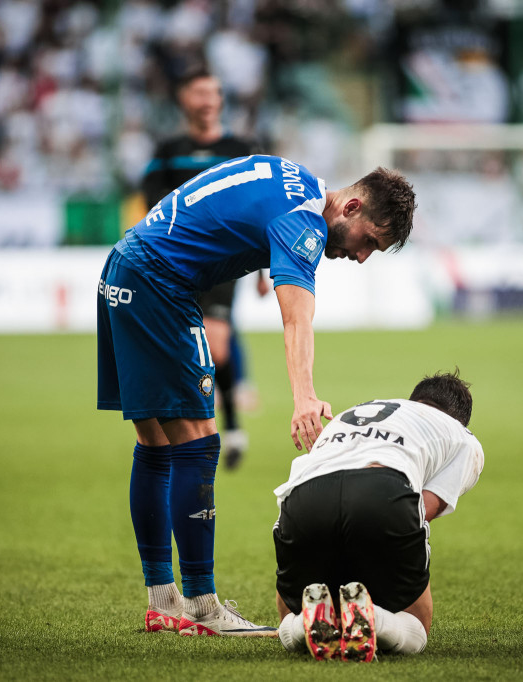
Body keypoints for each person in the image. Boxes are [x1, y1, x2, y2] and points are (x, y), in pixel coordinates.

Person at [98, 154, 416, 637]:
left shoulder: (296, 179)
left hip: (125, 268)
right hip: (160, 283)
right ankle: (203, 607)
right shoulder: (304, 222)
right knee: (200, 443)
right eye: (368, 241)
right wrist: (305, 397)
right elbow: (297, 318)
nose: (361, 256)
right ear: (350, 207)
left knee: (157, 445)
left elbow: (229, 203)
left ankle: (163, 601)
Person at [271, 370, 484, 661]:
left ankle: (302, 622)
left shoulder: (356, 412)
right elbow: (421, 511)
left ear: (416, 400)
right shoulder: (461, 436)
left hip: (303, 500)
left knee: (289, 609)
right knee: (417, 623)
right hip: (381, 493)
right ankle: (374, 618)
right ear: (458, 418)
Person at [142, 67, 265, 470]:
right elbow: (152, 208)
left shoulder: (240, 147)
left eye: (214, 93)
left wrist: (265, 269)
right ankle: (193, 428)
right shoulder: (167, 150)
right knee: (182, 349)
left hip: (222, 264)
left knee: (216, 346)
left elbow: (258, 207)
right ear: (184, 100)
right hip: (175, 266)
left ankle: (227, 428)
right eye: (199, 93)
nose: (208, 100)